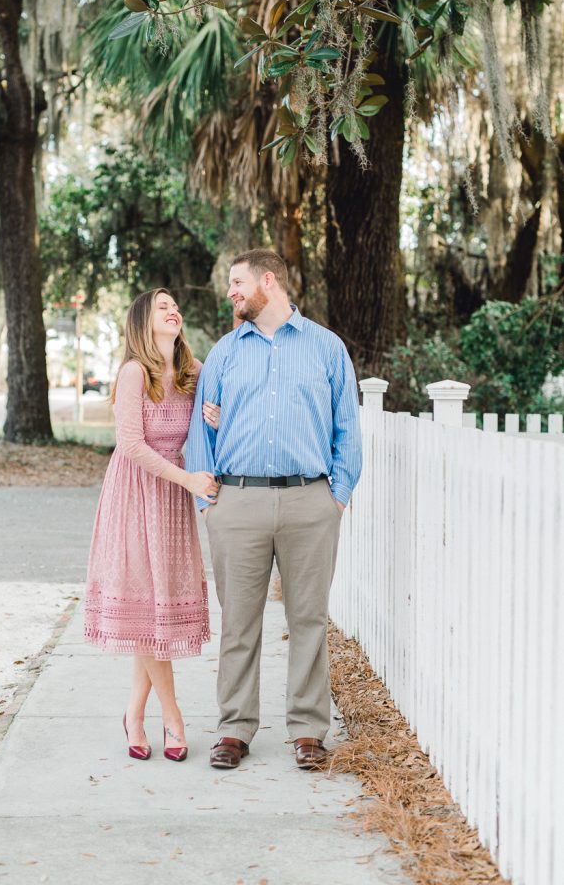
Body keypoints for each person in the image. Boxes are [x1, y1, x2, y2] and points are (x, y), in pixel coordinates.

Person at [185, 249, 362, 770]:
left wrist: (337, 497)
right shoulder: (223, 353)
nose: (231, 293)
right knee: (239, 622)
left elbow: (347, 429)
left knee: (308, 618)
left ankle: (308, 730)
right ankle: (234, 729)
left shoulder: (327, 349)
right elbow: (202, 430)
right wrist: (207, 504)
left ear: (269, 281)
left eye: (238, 283)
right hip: (236, 501)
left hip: (311, 500)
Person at [84, 288, 219, 763]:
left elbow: (216, 410)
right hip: (135, 495)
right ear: (143, 320)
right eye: (162, 306)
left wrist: (215, 416)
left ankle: (134, 714)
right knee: (148, 606)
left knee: (155, 611)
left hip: (172, 503)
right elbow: (132, 445)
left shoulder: (193, 371)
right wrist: (188, 479)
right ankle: (174, 716)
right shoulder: (132, 373)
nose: (172, 310)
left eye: (174, 305)